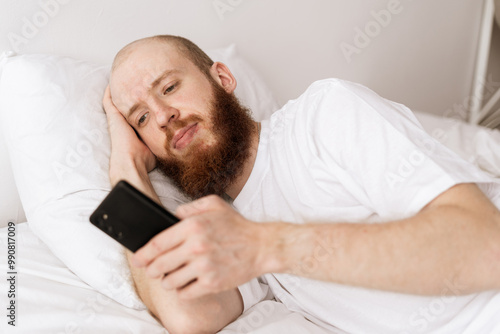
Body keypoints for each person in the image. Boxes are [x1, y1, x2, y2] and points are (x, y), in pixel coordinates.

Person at [103, 35, 500, 334]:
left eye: (169, 87)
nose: (162, 116)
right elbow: (187, 316)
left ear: (222, 78)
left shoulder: (324, 115)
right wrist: (126, 171)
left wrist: (265, 246)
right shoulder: (224, 228)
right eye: (140, 118)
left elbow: (488, 248)